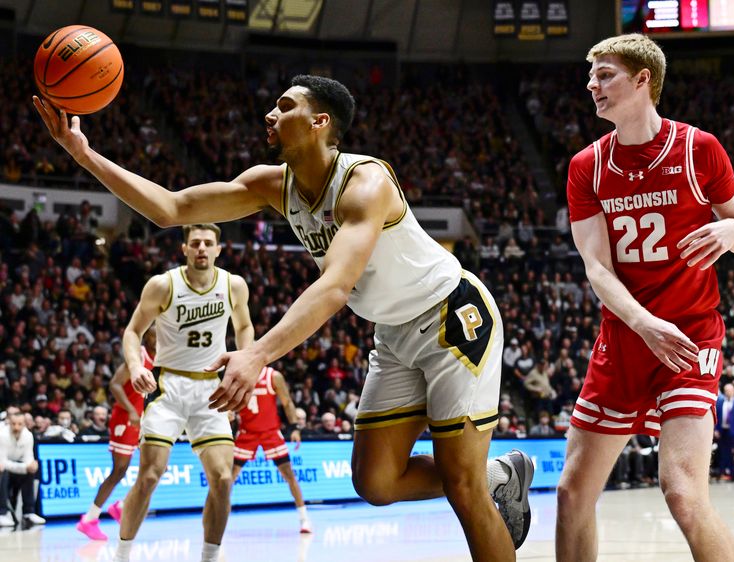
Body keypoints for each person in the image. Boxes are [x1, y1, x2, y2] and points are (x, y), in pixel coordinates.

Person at [34, 74, 534, 560]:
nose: (269, 114)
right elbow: (170, 208)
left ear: (320, 122)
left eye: (284, 106)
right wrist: (81, 152)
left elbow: (335, 286)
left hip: (451, 317)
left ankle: (479, 480)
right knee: (375, 482)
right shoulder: (272, 184)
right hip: (394, 332)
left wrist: (257, 354)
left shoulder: (366, 181)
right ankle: (498, 475)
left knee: (463, 491)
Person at [561, 34, 734, 561]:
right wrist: (644, 324)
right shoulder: (587, 166)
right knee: (571, 493)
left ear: (643, 78)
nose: (592, 85)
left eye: (605, 74)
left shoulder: (699, 148)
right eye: (591, 76)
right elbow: (597, 268)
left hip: (690, 338)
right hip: (626, 336)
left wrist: (730, 234)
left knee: (684, 494)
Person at [113, 224, 252, 562]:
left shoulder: (233, 285)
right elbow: (132, 332)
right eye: (195, 243)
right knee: (149, 475)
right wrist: (135, 367)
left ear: (219, 249)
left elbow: (245, 326)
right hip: (168, 387)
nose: (202, 248)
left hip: (211, 390)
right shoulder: (163, 285)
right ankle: (121, 554)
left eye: (208, 243)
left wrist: (243, 363)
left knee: (222, 479)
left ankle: (209, 557)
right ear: (185, 249)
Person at [76, 329, 156, 541]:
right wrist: (130, 409)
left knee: (157, 465)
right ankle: (89, 520)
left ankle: (122, 506)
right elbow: (114, 384)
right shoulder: (138, 357)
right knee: (119, 470)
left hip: (144, 418)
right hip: (126, 418)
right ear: (146, 338)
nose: (159, 340)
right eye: (154, 336)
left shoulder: (163, 357)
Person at [232, 365, 311, 533]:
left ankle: (304, 519)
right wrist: (230, 412)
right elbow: (231, 403)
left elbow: (287, 402)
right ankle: (218, 521)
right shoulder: (239, 374)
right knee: (227, 478)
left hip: (271, 432)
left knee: (289, 475)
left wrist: (295, 428)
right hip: (247, 433)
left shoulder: (272, 376)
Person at [0, 411, 46, 527]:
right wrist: (25, 466)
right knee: (1, 471)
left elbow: (28, 459)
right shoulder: (2, 435)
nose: (16, 427)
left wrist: (30, 466)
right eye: (13, 424)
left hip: (14, 468)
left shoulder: (28, 436)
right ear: (9, 423)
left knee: (31, 471)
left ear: (24, 424)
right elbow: (2, 462)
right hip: (3, 469)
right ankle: (2, 513)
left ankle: (28, 512)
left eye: (20, 424)